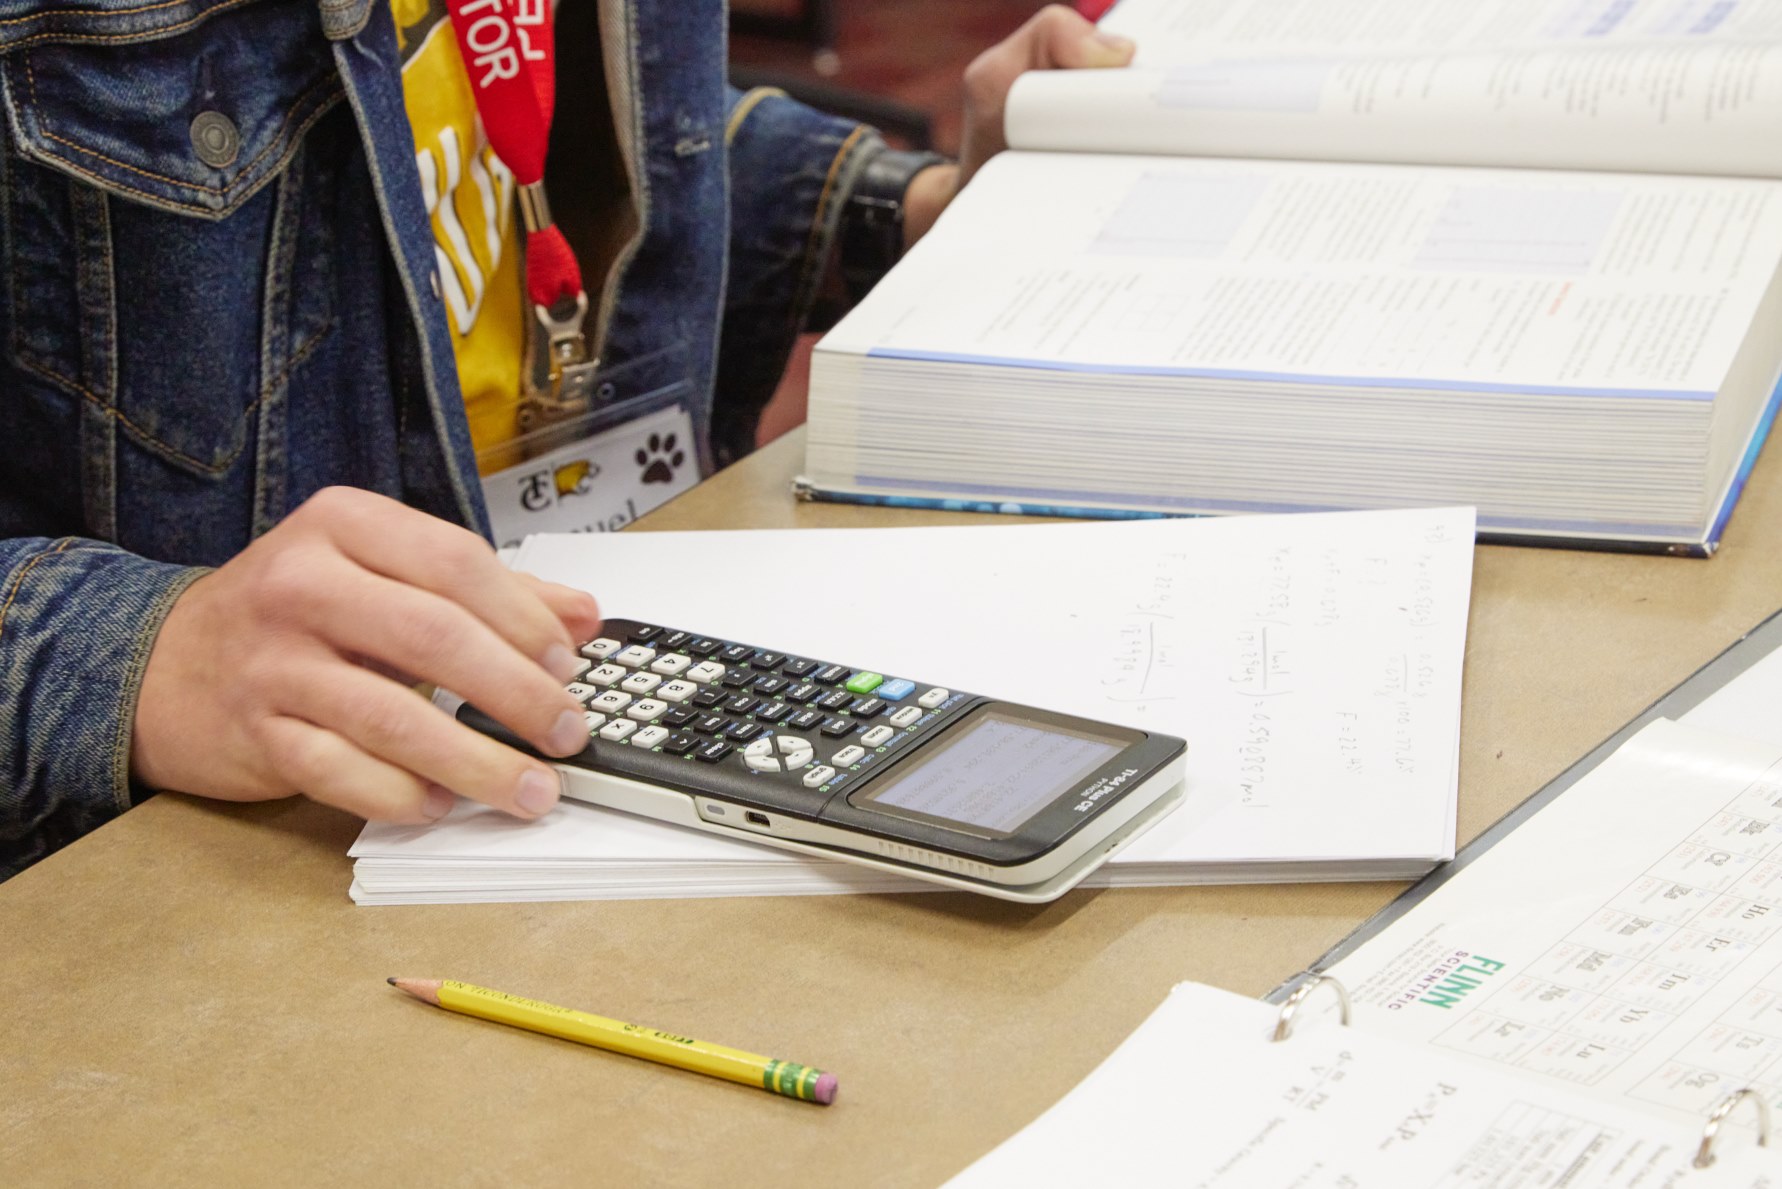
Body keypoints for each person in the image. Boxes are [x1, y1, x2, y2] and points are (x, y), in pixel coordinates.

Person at [0, 1, 1134, 881]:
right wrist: (142, 651)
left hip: (615, 671)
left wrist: (914, 208)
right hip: (206, 879)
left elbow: (556, 146)